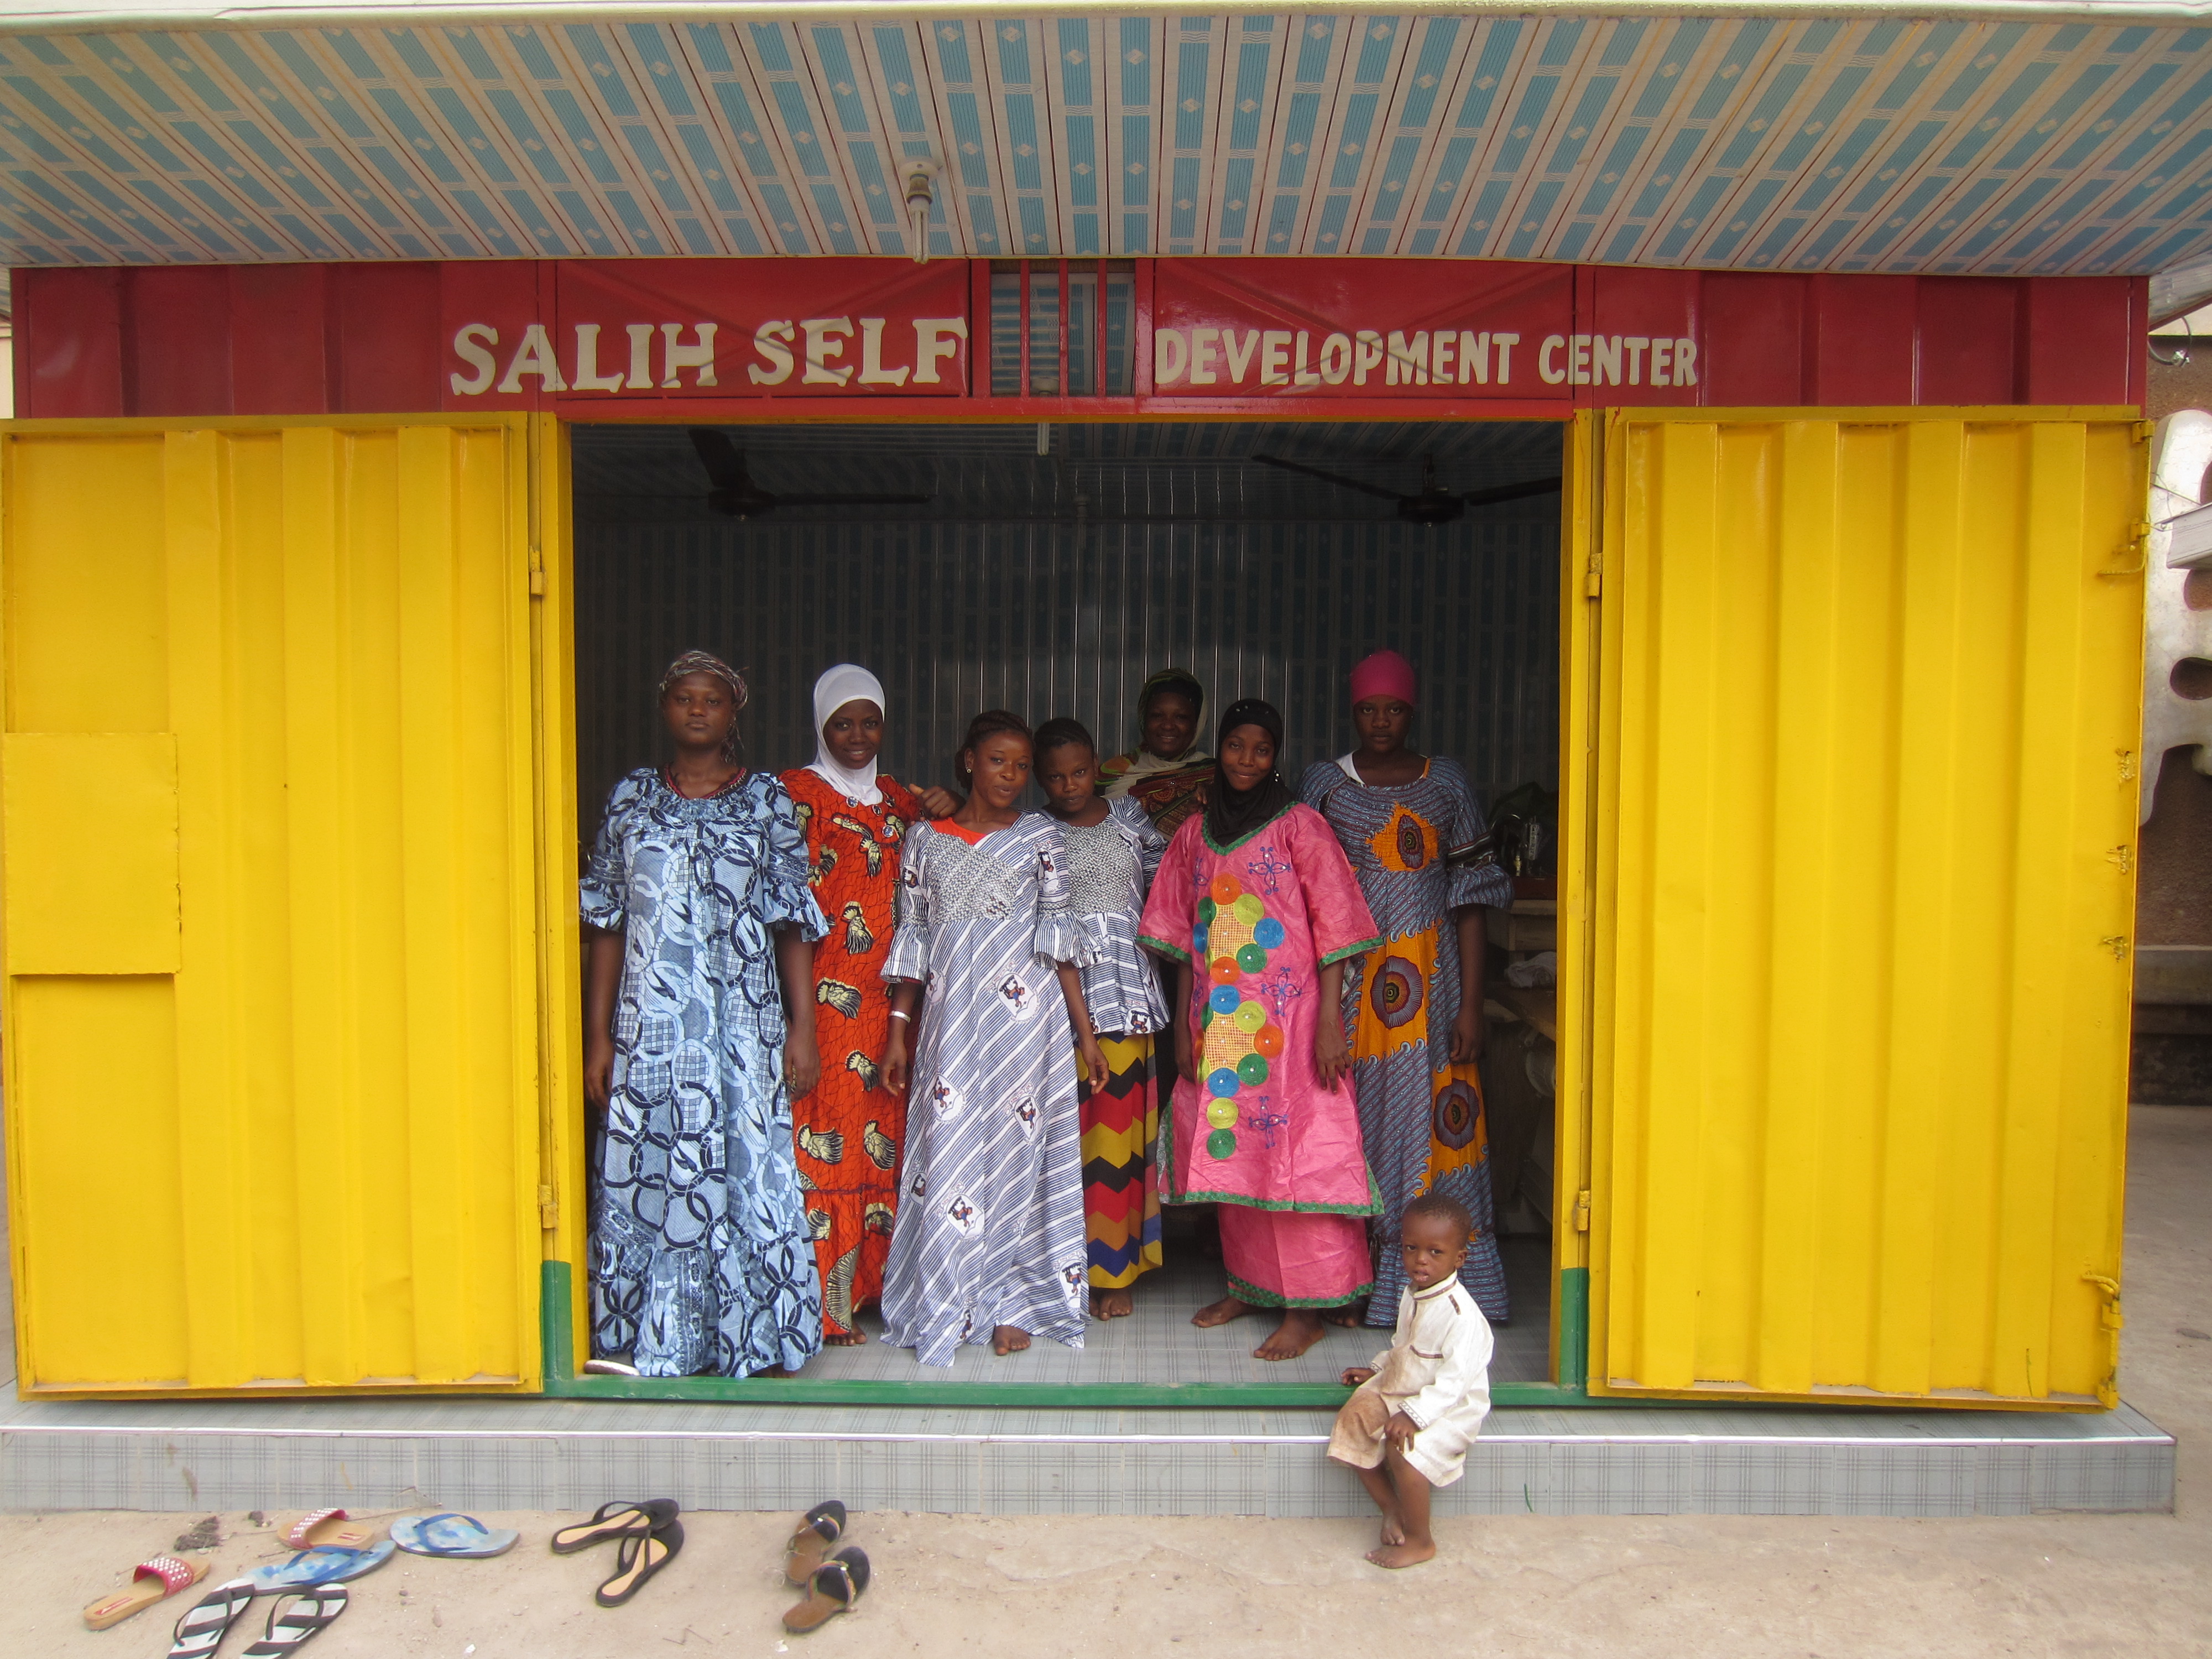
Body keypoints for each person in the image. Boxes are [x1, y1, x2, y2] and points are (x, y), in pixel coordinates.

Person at [581, 651, 829, 1378]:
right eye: (684, 699)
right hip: (652, 1033)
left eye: (712, 700)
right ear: (665, 710)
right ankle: (656, 1335)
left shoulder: (765, 801)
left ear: (732, 714)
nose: (697, 710)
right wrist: (598, 1036)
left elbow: (792, 921)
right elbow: (607, 922)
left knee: (750, 1167)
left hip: (742, 1027)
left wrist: (802, 1027)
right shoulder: (630, 800)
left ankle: (753, 1335)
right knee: (656, 1167)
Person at [1137, 698, 1383, 1361]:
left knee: (1297, 1156)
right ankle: (1250, 1285)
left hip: (1295, 1023)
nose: (1247, 760)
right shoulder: (1195, 834)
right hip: (1219, 1026)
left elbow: (1336, 931)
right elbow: (1187, 937)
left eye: (1262, 749)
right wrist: (1186, 1031)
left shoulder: (1300, 827)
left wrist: (1329, 1021)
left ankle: (1308, 1308)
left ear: (1277, 757)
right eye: (1236, 746)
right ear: (1219, 750)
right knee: (1234, 1149)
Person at [878, 711, 1108, 1365]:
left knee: (1019, 1159)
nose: (1010, 775)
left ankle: (1011, 1299)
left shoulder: (1041, 838)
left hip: (1027, 1029)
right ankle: (951, 1297)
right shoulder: (924, 840)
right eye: (997, 761)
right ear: (969, 762)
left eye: (1019, 764)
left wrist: (1084, 1036)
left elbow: (1061, 942)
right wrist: (899, 1031)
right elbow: (914, 942)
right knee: (948, 1157)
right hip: (950, 1029)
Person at [1299, 649, 1514, 1325]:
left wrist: (1472, 1004)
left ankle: (1442, 1281)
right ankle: (1349, 1279)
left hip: (1438, 982)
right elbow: (1298, 895)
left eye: (1394, 710)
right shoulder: (1323, 786)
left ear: (1411, 711)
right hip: (1350, 982)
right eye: (1369, 709)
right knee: (1349, 1122)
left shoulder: (1445, 782)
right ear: (1352, 711)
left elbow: (1470, 900)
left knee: (1438, 1122)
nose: (1381, 721)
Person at [780, 664, 961, 1347]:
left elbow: (944, 834)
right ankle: (824, 1305)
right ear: (821, 726)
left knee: (885, 1146)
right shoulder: (794, 794)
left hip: (896, 1002)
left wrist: (940, 803)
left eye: (870, 722)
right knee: (824, 1145)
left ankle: (877, 1289)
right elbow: (788, 910)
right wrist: (798, 1018)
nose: (857, 736)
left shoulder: (895, 799)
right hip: (823, 999)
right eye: (842, 723)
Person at [1035, 717, 1170, 1317]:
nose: (1069, 785)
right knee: (1060, 1141)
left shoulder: (1130, 820)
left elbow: (1173, 884)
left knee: (1117, 1141)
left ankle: (1114, 1270)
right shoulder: (1030, 830)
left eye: (1081, 772)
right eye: (1056, 776)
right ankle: (1058, 1266)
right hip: (1048, 999)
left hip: (1125, 998)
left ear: (1099, 766)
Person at [1329, 1191, 1494, 1569]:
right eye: (1411, 1248)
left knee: (1401, 1449)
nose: (1420, 1260)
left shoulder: (1461, 1316)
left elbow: (1453, 1384)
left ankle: (1421, 1540)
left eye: (1435, 1252)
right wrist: (1379, 1367)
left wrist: (1415, 1416)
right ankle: (1392, 1509)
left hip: (1446, 1408)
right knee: (1353, 1420)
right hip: (1402, 1387)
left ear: (1460, 1258)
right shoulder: (1413, 1293)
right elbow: (1406, 1346)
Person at [1099, 668, 1213, 836]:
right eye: (1157, 716)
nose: (1168, 726)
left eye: (1181, 717)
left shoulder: (1217, 779)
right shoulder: (1110, 776)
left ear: (1197, 723)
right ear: (1144, 719)